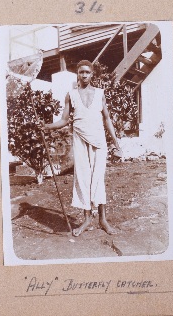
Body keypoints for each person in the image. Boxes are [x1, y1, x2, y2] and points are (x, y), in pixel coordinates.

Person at [43, 60, 121, 236]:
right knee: (83, 177)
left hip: (99, 141)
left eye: (87, 72)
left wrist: (115, 141)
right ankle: (86, 219)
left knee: (98, 178)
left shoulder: (100, 93)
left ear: (92, 74)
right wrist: (47, 126)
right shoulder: (71, 95)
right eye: (81, 72)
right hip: (79, 140)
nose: (84, 75)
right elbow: (64, 120)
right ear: (77, 74)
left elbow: (107, 119)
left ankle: (103, 219)